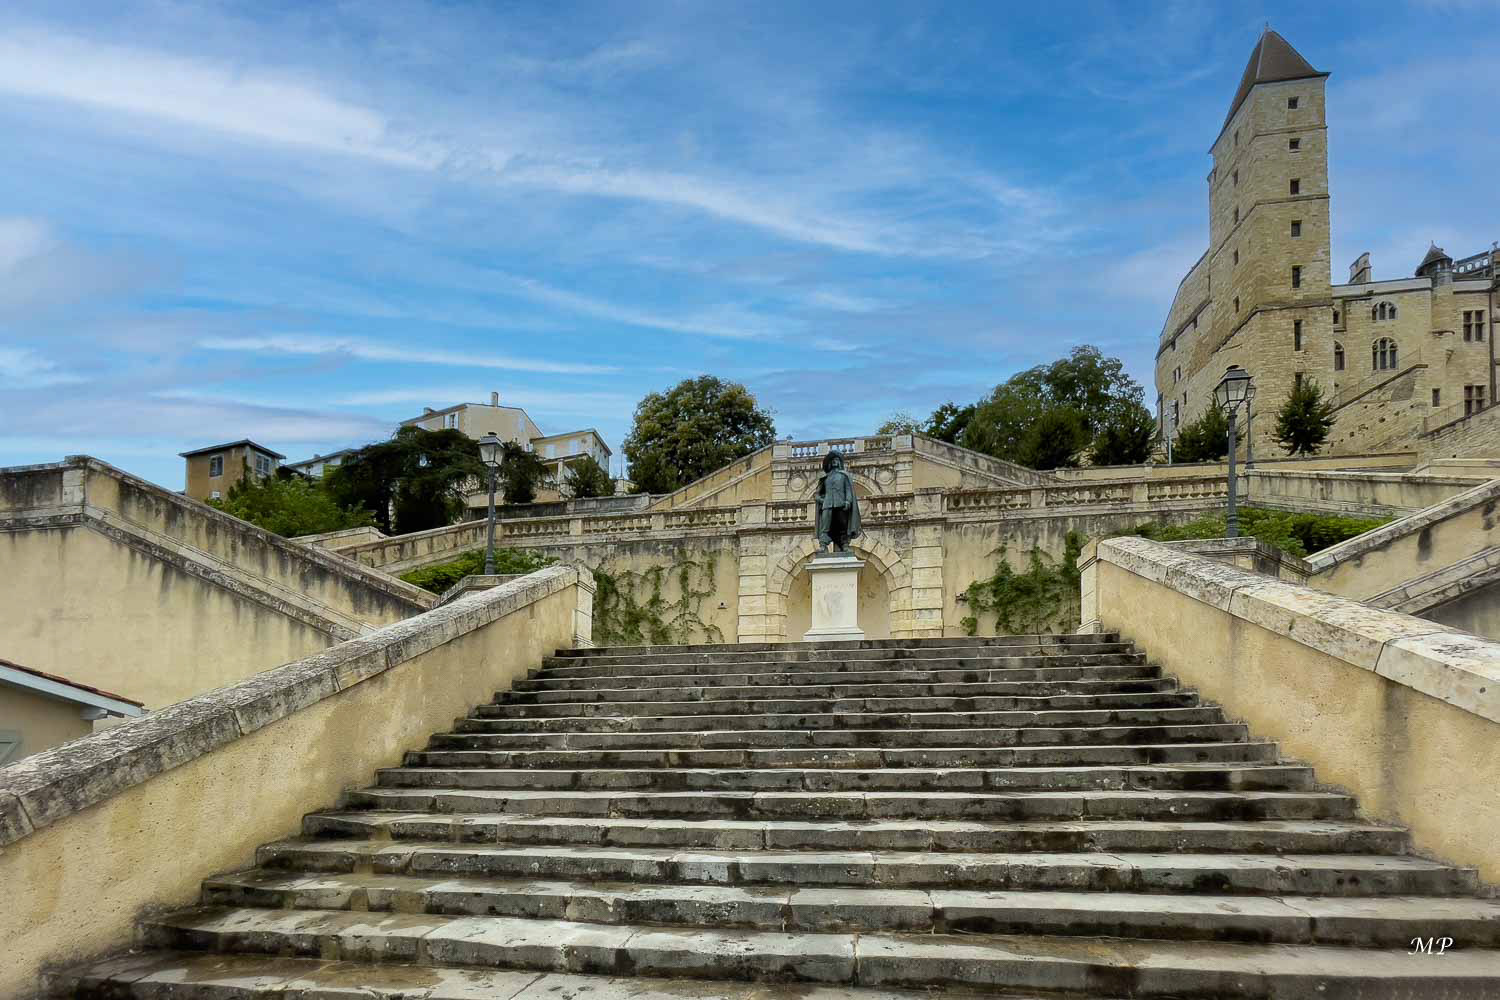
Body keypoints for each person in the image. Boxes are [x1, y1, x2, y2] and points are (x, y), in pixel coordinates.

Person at [815, 450, 862, 553]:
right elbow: (817, 493)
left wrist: (848, 501)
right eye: (832, 460)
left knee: (842, 525)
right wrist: (821, 500)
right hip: (827, 505)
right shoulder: (825, 478)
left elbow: (848, 490)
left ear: (839, 462)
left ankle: (844, 544)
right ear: (830, 463)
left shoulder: (844, 475)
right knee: (825, 526)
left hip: (840, 503)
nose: (834, 462)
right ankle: (823, 545)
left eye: (836, 460)